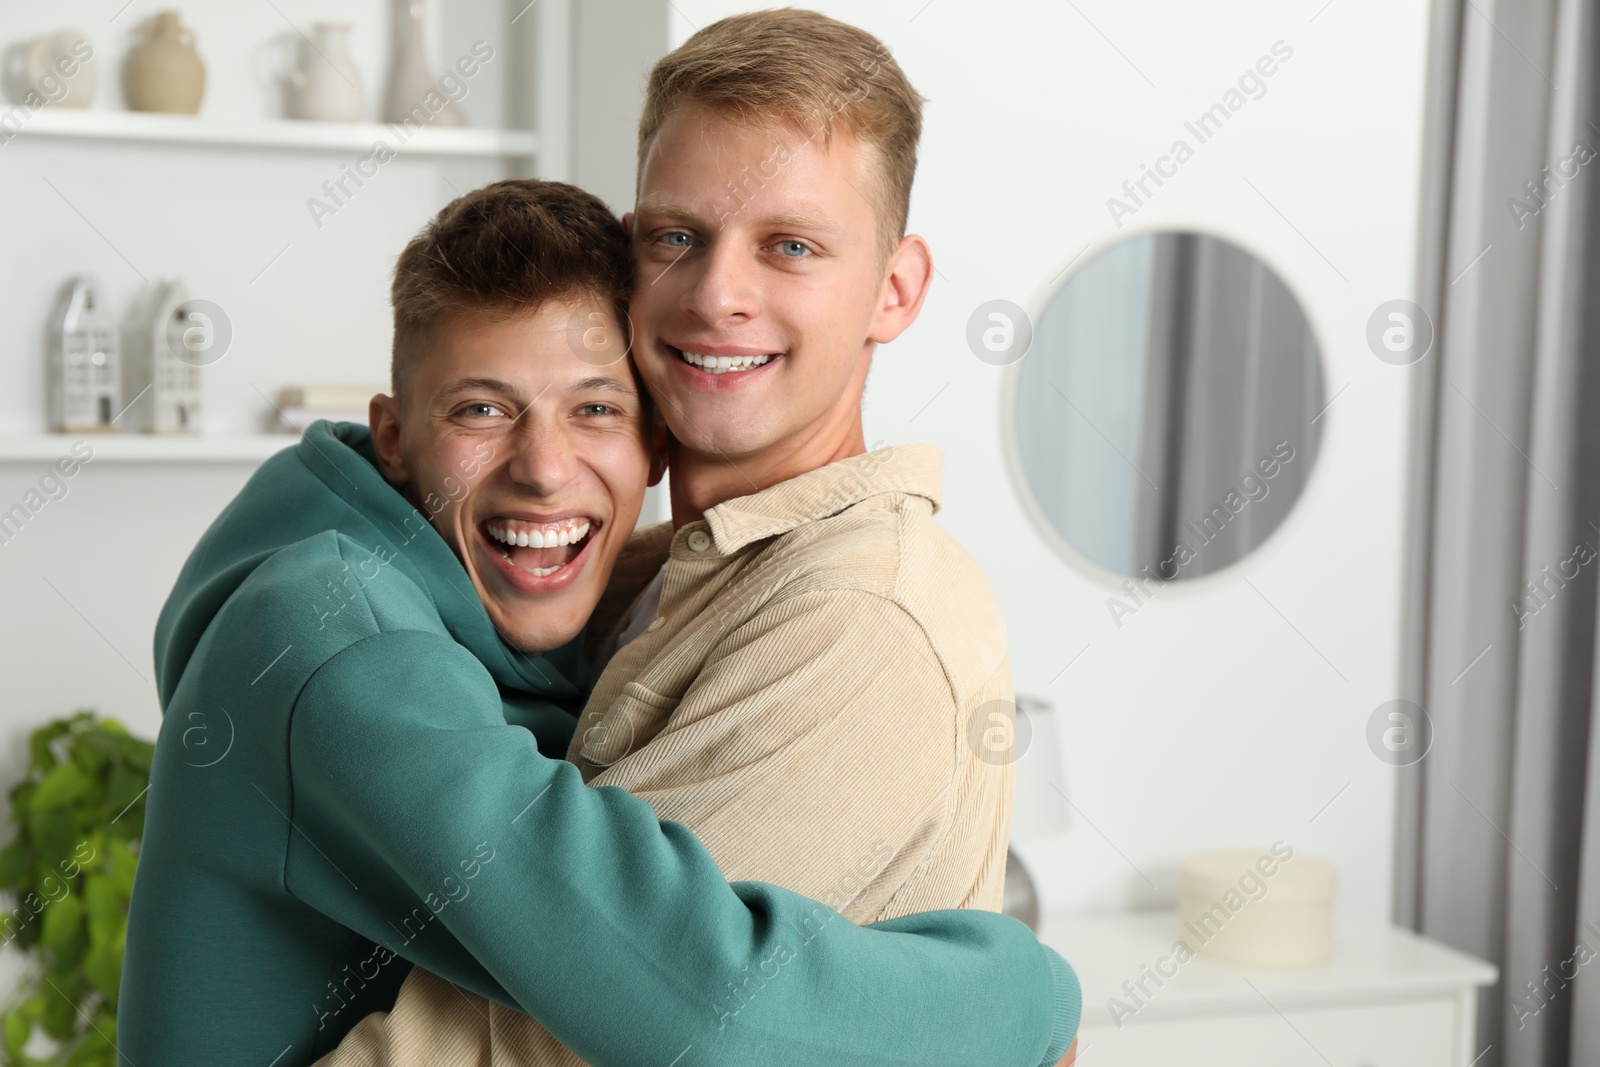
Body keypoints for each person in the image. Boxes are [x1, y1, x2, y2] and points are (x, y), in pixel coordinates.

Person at [118, 174, 1080, 1066]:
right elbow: (705, 1004)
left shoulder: (538, 612)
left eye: (595, 409)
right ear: (395, 437)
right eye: (484, 409)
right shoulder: (342, 645)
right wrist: (1028, 997)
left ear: (654, 442)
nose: (542, 466)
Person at [322, 9, 1079, 1067]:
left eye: (791, 246)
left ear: (895, 288)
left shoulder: (860, 611)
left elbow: (545, 1040)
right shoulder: (631, 562)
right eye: (675, 237)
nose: (719, 293)